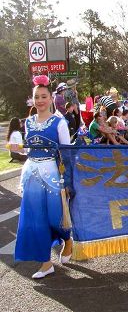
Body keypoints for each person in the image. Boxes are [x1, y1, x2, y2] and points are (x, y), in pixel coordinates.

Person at [14, 75, 72, 279]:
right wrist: (17, 149)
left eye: (43, 96)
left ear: (51, 98)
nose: (40, 100)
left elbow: (66, 153)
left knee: (55, 217)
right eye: (36, 97)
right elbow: (27, 150)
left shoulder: (59, 122)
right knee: (36, 219)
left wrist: (69, 181)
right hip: (31, 174)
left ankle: (68, 239)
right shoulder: (28, 122)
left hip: (53, 176)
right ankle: (46, 263)